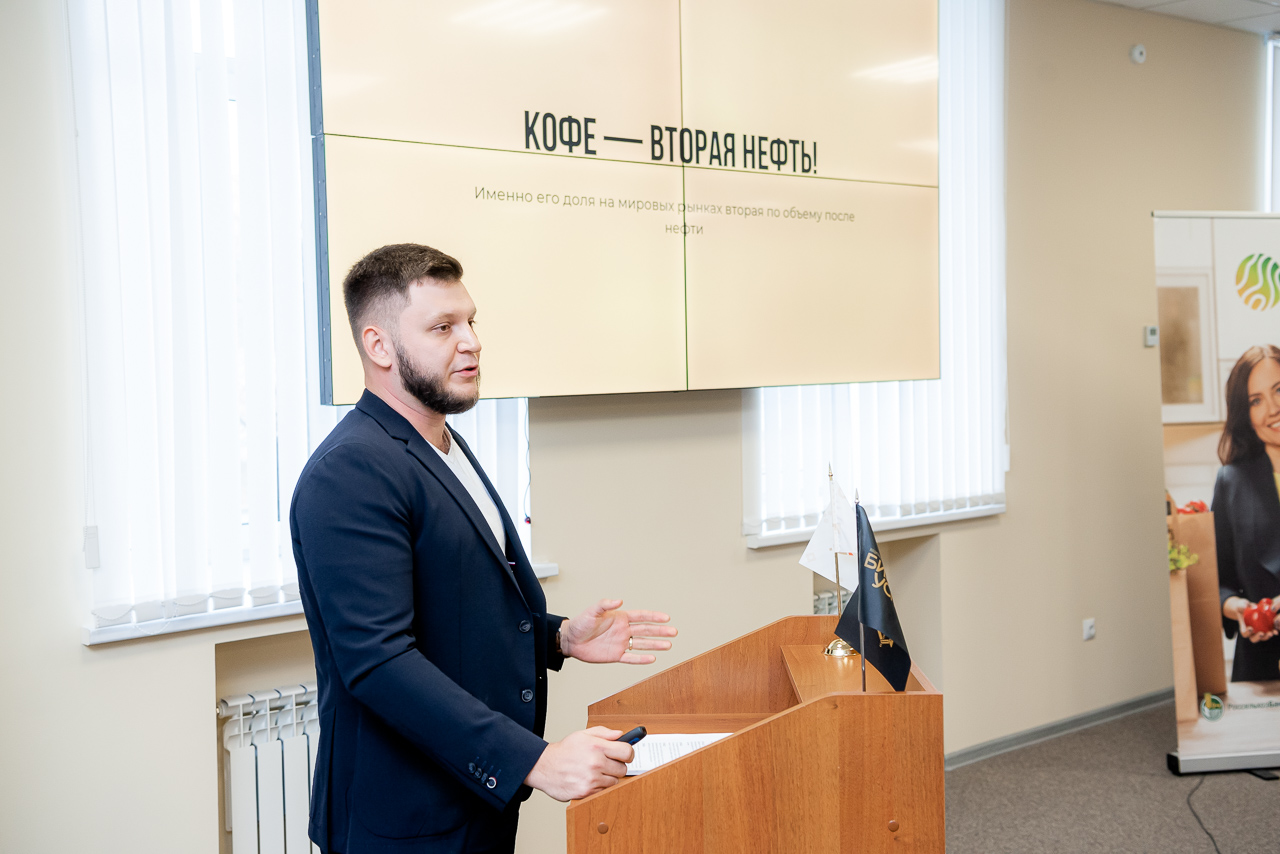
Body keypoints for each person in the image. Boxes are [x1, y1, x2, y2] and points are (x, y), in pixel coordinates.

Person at [290, 243, 678, 854]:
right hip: (404, 822)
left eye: (470, 322)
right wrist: (536, 761)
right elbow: (379, 663)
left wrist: (559, 637)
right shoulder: (352, 470)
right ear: (379, 346)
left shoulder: (440, 443)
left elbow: (455, 606)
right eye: (443, 327)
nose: (471, 342)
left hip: (470, 804)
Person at [1214, 343, 1280, 682]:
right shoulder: (1231, 481)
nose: (1273, 408)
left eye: (1279, 390)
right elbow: (1217, 581)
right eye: (1256, 400)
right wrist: (1236, 608)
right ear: (1245, 414)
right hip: (1261, 667)